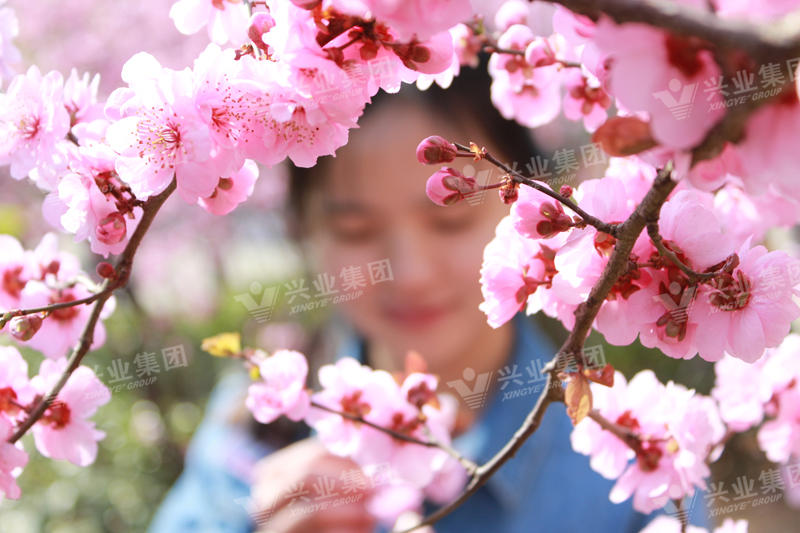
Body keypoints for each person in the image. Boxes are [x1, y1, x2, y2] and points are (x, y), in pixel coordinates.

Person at [147, 66, 657, 533]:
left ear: (541, 214)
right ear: (304, 230)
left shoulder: (635, 456)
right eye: (355, 230)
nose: (409, 274)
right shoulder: (255, 424)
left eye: (451, 221)